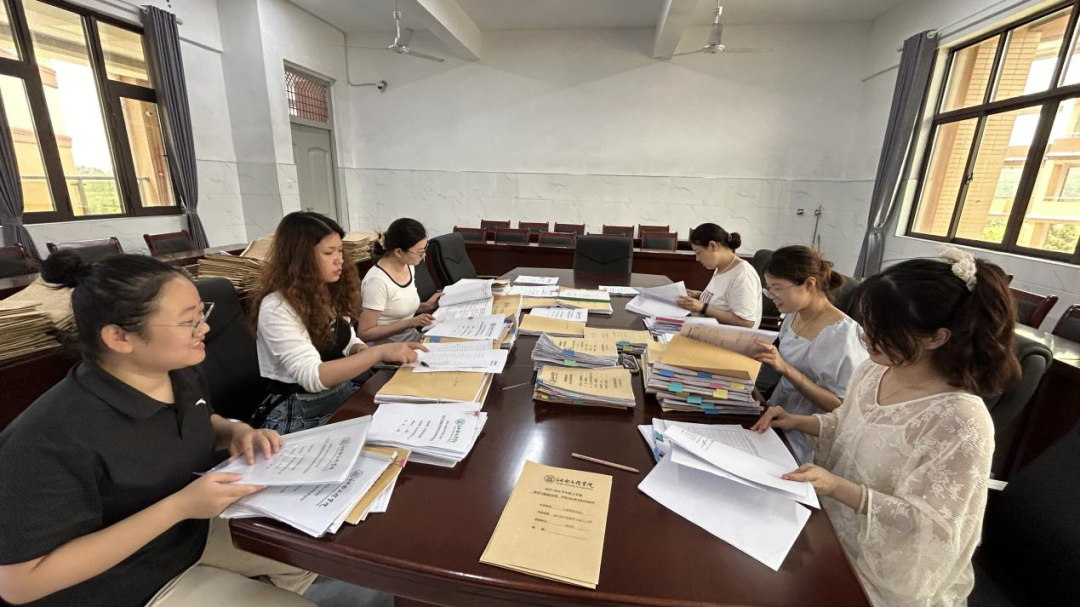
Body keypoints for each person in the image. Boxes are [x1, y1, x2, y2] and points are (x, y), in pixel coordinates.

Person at [0, 252, 316, 607]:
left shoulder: (178, 371)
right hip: (122, 581)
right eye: (188, 322)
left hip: (187, 534)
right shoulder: (52, 436)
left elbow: (198, 419)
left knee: (310, 549)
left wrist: (235, 432)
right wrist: (178, 507)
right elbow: (19, 584)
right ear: (119, 337)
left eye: (202, 315)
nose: (204, 329)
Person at [752, 247, 1020, 607]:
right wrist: (798, 420)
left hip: (884, 568)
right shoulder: (875, 369)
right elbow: (847, 425)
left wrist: (839, 487)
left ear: (936, 337)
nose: (865, 336)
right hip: (829, 526)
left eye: (882, 330)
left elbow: (934, 527)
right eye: (867, 323)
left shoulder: (960, 419)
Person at [252, 212, 423, 434]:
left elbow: (348, 339)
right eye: (328, 252)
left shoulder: (327, 290)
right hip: (301, 413)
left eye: (340, 250)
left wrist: (363, 351)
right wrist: (377, 353)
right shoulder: (277, 307)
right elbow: (312, 377)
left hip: (342, 395)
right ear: (300, 258)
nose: (339, 259)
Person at [750, 245, 869, 462]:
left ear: (809, 284)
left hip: (807, 435)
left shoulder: (841, 335)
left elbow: (840, 406)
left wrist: (785, 368)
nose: (772, 296)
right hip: (777, 414)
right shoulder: (794, 313)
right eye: (769, 289)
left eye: (777, 288)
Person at [359, 218, 442, 344]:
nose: (424, 255)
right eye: (420, 252)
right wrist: (409, 323)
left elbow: (395, 310)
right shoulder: (377, 282)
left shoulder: (408, 266)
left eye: (425, 248)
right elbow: (364, 333)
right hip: (388, 348)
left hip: (411, 339)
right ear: (398, 252)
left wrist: (427, 306)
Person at [676, 223, 762, 328]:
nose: (697, 259)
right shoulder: (721, 267)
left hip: (729, 336)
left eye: (698, 253)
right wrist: (700, 295)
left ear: (713, 246)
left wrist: (703, 307)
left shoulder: (743, 275)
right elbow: (723, 301)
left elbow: (747, 322)